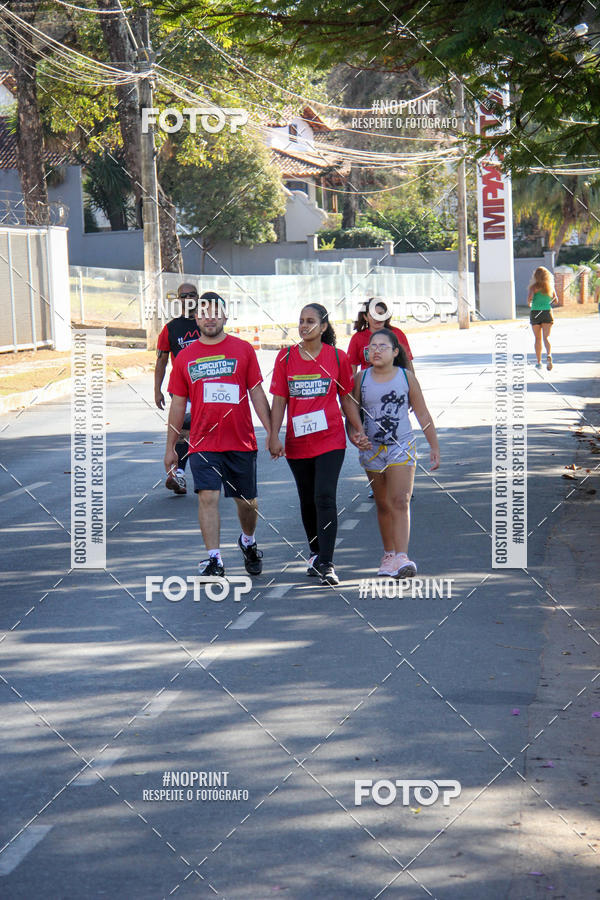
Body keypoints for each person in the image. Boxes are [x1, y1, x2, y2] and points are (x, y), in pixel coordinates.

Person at [164, 293, 272, 577]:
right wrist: (171, 447)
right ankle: (214, 559)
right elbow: (177, 403)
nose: (209, 317)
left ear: (225, 316)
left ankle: (247, 541)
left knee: (247, 503)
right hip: (203, 442)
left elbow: (257, 392)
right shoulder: (185, 357)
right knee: (207, 496)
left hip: (240, 440)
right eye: (203, 313)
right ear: (196, 318)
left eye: (215, 312)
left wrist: (273, 431)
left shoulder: (243, 350)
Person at [269, 303, 370, 586]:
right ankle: (315, 554)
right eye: (301, 320)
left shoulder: (336, 357)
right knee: (307, 500)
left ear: (323, 327)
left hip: (330, 440)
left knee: (324, 496)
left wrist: (358, 431)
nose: (304, 326)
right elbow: (279, 399)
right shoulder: (285, 357)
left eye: (311, 321)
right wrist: (273, 435)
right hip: (298, 442)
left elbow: (346, 399)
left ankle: (327, 562)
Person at [352, 328, 439, 578]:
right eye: (372, 347)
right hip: (372, 450)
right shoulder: (361, 379)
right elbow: (352, 414)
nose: (376, 350)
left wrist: (434, 446)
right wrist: (355, 435)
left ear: (395, 352)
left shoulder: (405, 377)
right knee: (382, 504)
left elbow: (422, 413)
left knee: (400, 501)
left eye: (383, 346)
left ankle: (402, 557)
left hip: (401, 446)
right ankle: (388, 555)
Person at [155, 283, 202, 495]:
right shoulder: (170, 328)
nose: (188, 298)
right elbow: (161, 362)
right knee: (184, 428)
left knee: (203, 431)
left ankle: (209, 474)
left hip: (206, 388)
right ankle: (180, 475)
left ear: (198, 298)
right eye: (184, 296)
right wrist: (157, 389)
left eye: (192, 295)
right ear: (179, 300)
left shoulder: (208, 323)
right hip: (181, 388)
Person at [347, 298, 415, 376]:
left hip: (396, 383)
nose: (377, 318)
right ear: (365, 317)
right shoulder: (357, 338)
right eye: (373, 315)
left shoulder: (397, 333)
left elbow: (408, 363)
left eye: (380, 314)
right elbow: (351, 370)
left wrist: (412, 384)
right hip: (369, 385)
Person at [527, 266, 558, 370]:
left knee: (538, 338)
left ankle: (539, 362)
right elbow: (556, 300)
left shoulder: (533, 287)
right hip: (547, 313)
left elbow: (529, 299)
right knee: (546, 337)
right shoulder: (549, 287)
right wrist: (549, 301)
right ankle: (549, 355)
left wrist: (530, 304)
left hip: (535, 313)